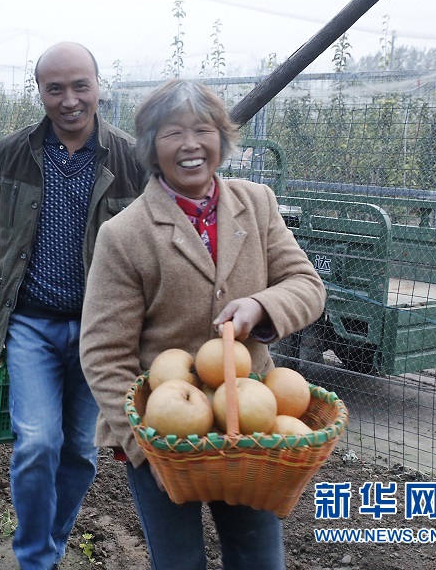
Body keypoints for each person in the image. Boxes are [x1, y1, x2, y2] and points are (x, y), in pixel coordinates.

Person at [78, 79, 327, 570]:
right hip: (163, 432)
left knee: (258, 557)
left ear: (222, 138)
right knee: (178, 561)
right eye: (173, 133)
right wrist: (146, 443)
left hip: (253, 425)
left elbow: (306, 285)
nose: (191, 145)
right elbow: (104, 352)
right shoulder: (126, 234)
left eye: (203, 129)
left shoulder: (257, 205)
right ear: (151, 147)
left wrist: (261, 305)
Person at [0, 42, 148, 569]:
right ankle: (35, 558)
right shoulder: (14, 151)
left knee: (78, 449)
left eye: (80, 86)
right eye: (55, 88)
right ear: (40, 92)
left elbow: (150, 253)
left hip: (100, 333)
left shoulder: (130, 158)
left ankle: (51, 541)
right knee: (36, 443)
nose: (69, 99)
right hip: (30, 323)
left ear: (98, 87)